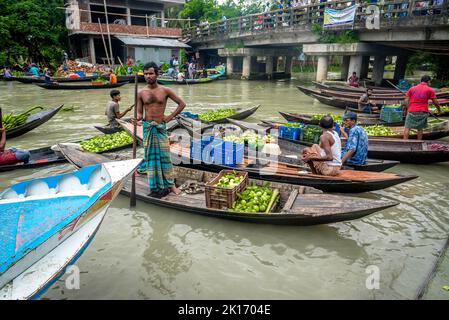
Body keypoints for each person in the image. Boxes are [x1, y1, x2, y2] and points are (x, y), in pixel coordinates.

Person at [132, 62, 186, 197]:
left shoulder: (165, 90)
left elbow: (182, 104)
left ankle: (171, 186)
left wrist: (170, 117)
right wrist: (136, 119)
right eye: (145, 74)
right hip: (148, 128)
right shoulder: (141, 93)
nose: (148, 76)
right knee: (150, 158)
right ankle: (156, 186)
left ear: (156, 74)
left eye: (150, 73)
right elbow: (139, 113)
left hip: (161, 128)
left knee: (165, 157)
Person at [403, 75, 441, 140]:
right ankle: (418, 142)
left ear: (421, 81)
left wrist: (406, 108)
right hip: (422, 111)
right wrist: (439, 110)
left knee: (407, 127)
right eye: (430, 82)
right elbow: (435, 102)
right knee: (420, 128)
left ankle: (404, 142)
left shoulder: (412, 88)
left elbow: (406, 100)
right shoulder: (430, 90)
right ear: (428, 81)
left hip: (411, 110)